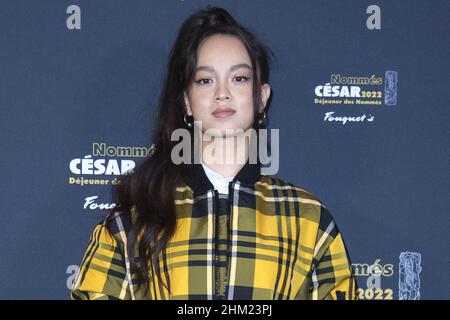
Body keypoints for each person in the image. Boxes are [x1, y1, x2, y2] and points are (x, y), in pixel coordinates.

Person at [71, 6, 357, 300]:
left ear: (262, 97)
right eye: (205, 80)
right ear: (186, 101)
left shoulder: (307, 219)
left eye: (239, 78)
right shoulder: (134, 220)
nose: (222, 93)